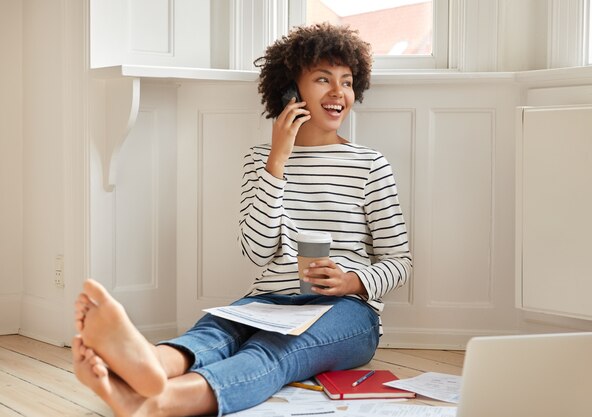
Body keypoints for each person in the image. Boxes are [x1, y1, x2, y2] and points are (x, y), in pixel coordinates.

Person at [73, 22, 412, 417]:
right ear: (291, 92)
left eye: (347, 81)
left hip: (349, 312)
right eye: (323, 79)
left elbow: (399, 261)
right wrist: (277, 162)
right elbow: (258, 250)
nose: (339, 93)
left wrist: (350, 282)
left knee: (274, 351)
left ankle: (163, 402)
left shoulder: (369, 165)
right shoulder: (261, 160)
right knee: (212, 331)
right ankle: (149, 364)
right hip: (268, 301)